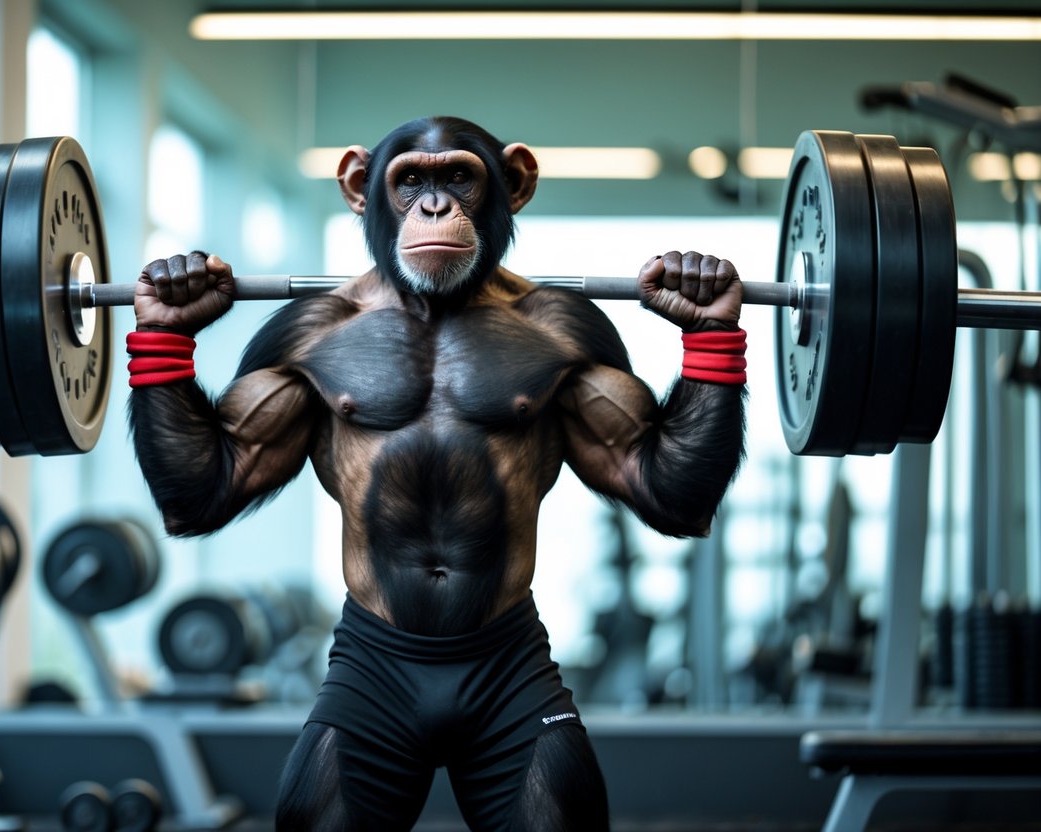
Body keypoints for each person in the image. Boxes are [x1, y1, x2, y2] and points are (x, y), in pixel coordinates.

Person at [127, 116, 746, 831]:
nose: (432, 205)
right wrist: (162, 345)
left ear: (512, 185)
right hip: (372, 666)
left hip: (507, 666)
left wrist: (710, 341)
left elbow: (675, 496)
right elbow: (198, 495)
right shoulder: (317, 333)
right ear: (362, 189)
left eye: (457, 178)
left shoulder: (555, 329)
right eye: (410, 183)